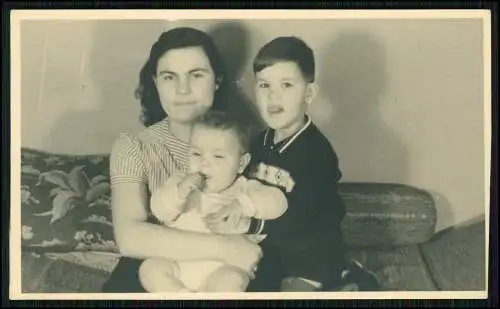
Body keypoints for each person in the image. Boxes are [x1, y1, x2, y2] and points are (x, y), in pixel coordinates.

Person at [101, 27, 263, 292]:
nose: (183, 89)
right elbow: (129, 238)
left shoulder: (253, 143)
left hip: (229, 273)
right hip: (160, 270)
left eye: (196, 75)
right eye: (169, 77)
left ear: (218, 80)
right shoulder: (134, 146)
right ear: (155, 83)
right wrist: (226, 248)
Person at [223, 36, 381, 292]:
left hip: (311, 252)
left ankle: (347, 278)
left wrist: (251, 223)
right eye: (264, 85)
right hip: (271, 249)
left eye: (286, 85)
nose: (273, 95)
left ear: (309, 93)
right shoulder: (257, 142)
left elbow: (302, 213)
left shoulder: (317, 152)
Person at [139, 111, 288, 292]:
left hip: (223, 269)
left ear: (241, 163)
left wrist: (243, 205)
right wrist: (177, 194)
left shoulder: (245, 189)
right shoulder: (180, 182)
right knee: (150, 268)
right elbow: (159, 209)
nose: (204, 163)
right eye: (196, 153)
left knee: (231, 281)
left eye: (217, 156)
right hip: (178, 264)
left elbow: (279, 203)